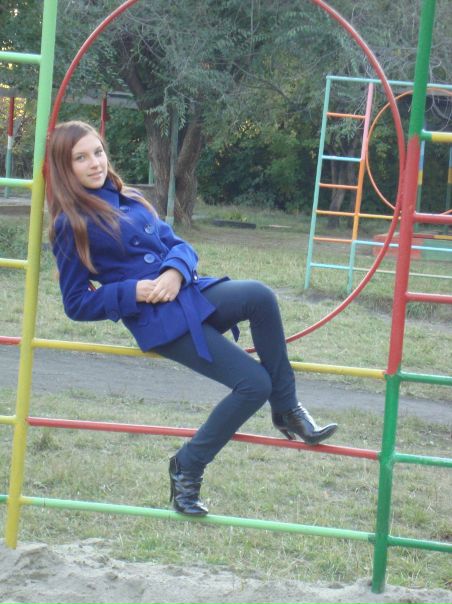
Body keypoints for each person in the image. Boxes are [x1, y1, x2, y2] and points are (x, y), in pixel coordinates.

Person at [46, 120, 338, 517]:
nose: (95, 163)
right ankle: (188, 465)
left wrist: (174, 272)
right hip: (159, 320)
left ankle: (287, 408)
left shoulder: (130, 197)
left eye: (97, 152)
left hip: (188, 292)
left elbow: (178, 244)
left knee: (259, 296)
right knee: (253, 384)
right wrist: (132, 291)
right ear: (65, 167)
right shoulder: (69, 223)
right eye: (81, 158)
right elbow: (76, 303)